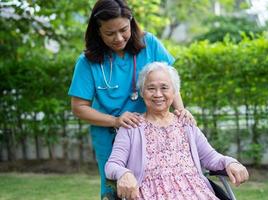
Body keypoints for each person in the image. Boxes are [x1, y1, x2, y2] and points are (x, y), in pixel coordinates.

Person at [68, 0, 194, 199]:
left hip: (149, 133)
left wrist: (180, 110)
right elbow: (79, 107)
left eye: (123, 30)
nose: (118, 38)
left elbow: (169, 82)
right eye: (109, 33)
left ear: (131, 22)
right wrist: (115, 121)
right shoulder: (87, 62)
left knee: (156, 186)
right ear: (97, 30)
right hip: (109, 134)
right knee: (115, 190)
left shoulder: (149, 43)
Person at [105, 62, 249, 200]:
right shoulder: (131, 126)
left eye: (164, 88)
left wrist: (230, 162)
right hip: (150, 194)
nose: (158, 94)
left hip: (196, 193)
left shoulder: (186, 123)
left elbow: (211, 157)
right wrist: (124, 173)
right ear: (142, 92)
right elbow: (112, 165)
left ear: (174, 92)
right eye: (151, 88)